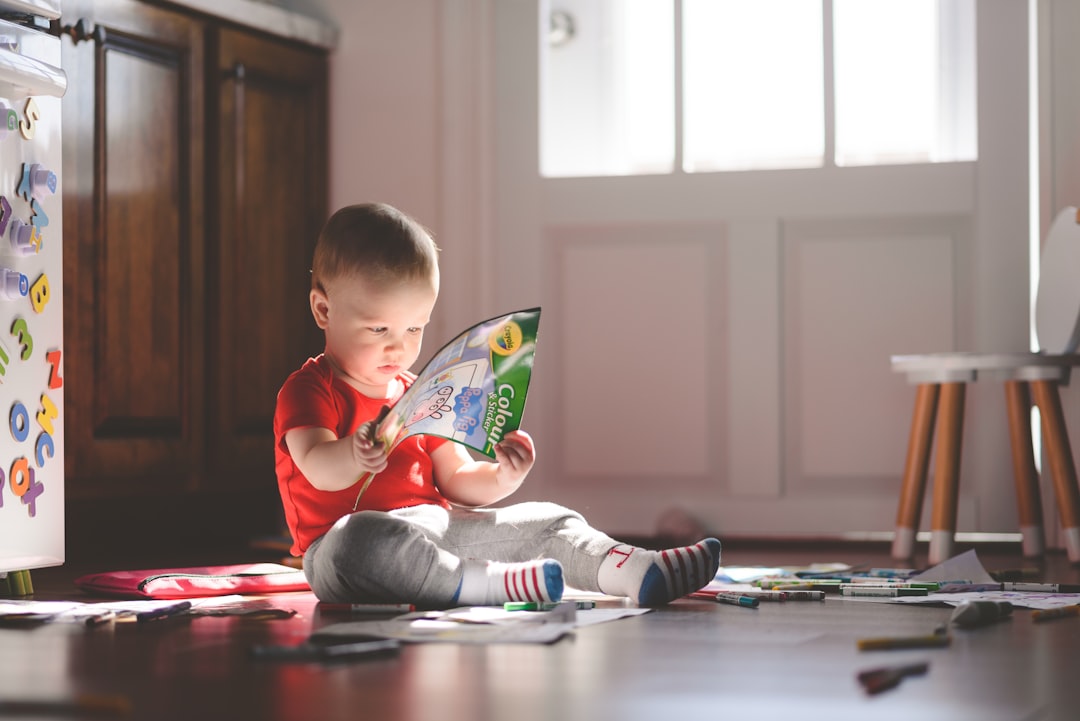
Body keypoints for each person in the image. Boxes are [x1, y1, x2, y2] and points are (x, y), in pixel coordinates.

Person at [274, 202, 721, 608]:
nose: (399, 349)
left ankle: (636, 569)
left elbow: (456, 477)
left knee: (548, 518)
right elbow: (314, 464)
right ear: (323, 310)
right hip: (347, 550)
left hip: (441, 533)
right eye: (378, 331)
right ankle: (491, 584)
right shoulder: (310, 389)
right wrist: (353, 453)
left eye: (414, 329)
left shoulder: (423, 392)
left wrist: (501, 476)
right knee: (357, 542)